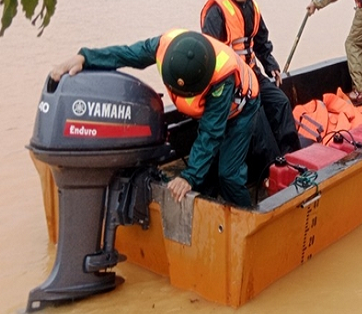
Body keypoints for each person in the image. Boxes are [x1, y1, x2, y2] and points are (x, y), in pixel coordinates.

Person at [48, 29, 260, 208]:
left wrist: (190, 177)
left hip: (242, 108)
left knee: (229, 175)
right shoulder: (163, 45)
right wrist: (86, 57)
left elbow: (212, 131)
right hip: (210, 109)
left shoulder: (222, 78)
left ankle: (248, 219)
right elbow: (127, 54)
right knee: (207, 168)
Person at [201, 0, 301, 158]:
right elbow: (210, 56)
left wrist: (271, 65)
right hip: (231, 82)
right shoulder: (217, 12)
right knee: (258, 119)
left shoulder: (253, 9)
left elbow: (262, 43)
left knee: (280, 102)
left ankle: (293, 156)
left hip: (252, 74)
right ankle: (270, 169)